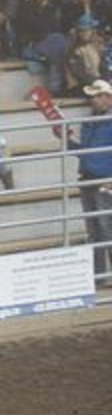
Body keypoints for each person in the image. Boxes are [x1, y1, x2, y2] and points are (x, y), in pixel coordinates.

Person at [73, 79, 112, 285]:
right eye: (93, 97)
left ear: (108, 98)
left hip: (105, 180)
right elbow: (82, 152)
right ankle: (98, 277)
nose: (93, 100)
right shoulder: (88, 122)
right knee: (95, 230)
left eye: (97, 96)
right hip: (88, 178)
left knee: (106, 229)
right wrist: (66, 140)